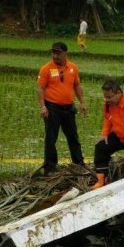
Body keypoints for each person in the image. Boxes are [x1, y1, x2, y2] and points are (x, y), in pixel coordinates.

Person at [37, 42, 87, 174]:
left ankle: (79, 163)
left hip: (68, 109)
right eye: (53, 53)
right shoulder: (46, 68)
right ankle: (50, 167)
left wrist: (82, 102)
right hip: (52, 108)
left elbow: (77, 86)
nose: (55, 55)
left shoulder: (73, 68)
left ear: (66, 53)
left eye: (58, 53)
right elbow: (40, 89)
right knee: (51, 138)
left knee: (73, 137)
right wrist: (42, 106)